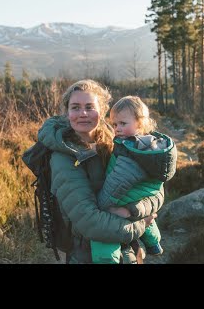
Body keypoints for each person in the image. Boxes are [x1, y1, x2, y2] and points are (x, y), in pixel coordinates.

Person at [36, 80, 163, 264]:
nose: (83, 114)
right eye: (75, 107)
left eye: (89, 106)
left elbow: (154, 189)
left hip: (126, 250)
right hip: (86, 255)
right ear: (67, 113)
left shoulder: (116, 141)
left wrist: (131, 210)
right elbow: (89, 222)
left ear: (102, 111)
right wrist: (140, 225)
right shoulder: (63, 157)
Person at [90, 96, 177, 264]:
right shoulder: (149, 145)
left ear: (140, 123)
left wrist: (101, 206)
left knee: (103, 237)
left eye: (123, 123)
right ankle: (154, 244)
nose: (117, 129)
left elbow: (117, 183)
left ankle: (106, 259)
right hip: (140, 198)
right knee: (146, 220)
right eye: (115, 124)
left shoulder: (130, 152)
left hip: (123, 199)